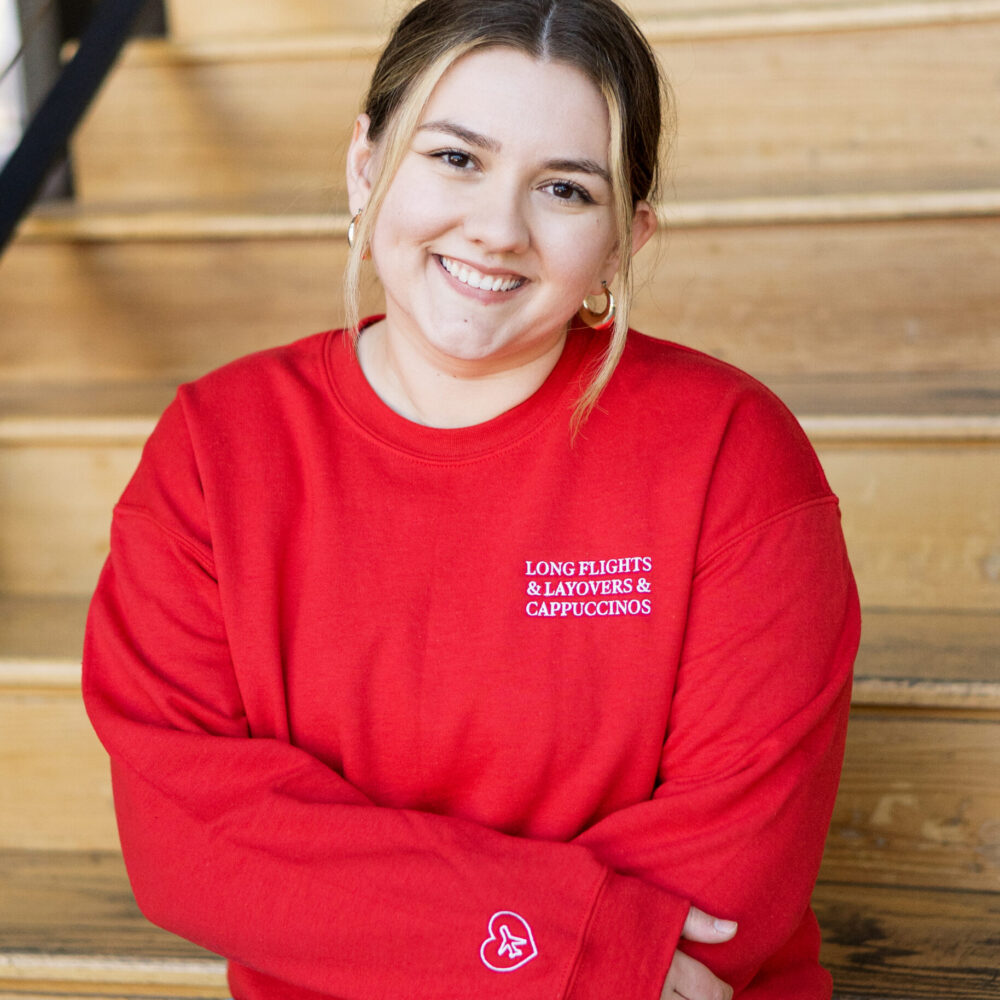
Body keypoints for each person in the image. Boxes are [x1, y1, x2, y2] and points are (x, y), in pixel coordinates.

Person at [82, 0, 859, 997]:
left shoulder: (731, 455)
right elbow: (188, 839)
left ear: (625, 238)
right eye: (455, 158)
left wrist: (399, 914)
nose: (496, 228)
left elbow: (728, 882)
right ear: (366, 167)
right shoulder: (212, 450)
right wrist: (584, 942)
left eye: (566, 188)